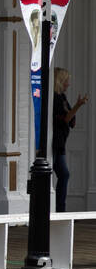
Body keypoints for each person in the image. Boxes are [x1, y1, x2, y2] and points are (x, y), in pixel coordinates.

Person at [53, 68, 88, 213]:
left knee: (64, 174)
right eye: (66, 80)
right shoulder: (55, 98)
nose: (68, 84)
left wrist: (75, 108)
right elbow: (65, 119)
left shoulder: (62, 97)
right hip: (54, 142)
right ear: (60, 81)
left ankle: (60, 210)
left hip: (60, 142)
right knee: (63, 174)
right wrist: (78, 105)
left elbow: (71, 121)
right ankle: (59, 210)